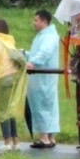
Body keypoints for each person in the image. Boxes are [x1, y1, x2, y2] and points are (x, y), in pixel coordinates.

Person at [0, 19, 29, 150]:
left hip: (3, 76)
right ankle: (16, 141)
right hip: (15, 76)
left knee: (3, 110)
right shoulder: (10, 41)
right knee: (10, 110)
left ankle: (7, 142)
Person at [25, 10, 62, 149]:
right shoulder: (45, 36)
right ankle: (50, 136)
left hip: (42, 78)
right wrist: (26, 54)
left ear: (44, 21)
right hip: (44, 78)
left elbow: (44, 53)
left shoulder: (49, 37)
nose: (34, 23)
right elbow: (38, 53)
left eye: (36, 20)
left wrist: (32, 62)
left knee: (42, 106)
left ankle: (44, 137)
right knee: (49, 105)